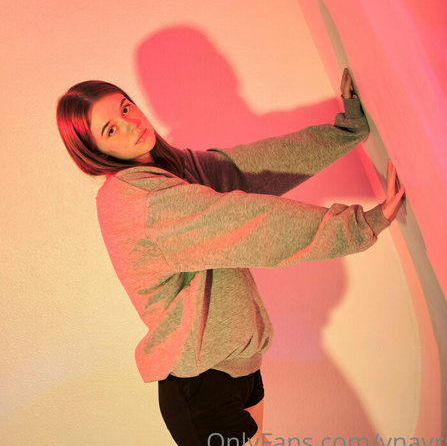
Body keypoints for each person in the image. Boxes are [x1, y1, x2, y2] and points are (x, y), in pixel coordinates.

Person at [56, 68, 405, 446]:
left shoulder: (169, 168)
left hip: (238, 367)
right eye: (111, 130)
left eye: (126, 108)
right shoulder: (144, 204)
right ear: (96, 153)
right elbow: (249, 223)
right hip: (200, 386)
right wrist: (361, 224)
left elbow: (253, 165)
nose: (130, 124)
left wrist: (346, 130)